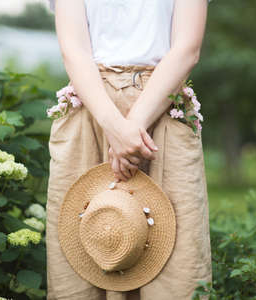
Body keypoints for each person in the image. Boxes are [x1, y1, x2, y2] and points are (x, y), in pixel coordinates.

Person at [46, 0, 212, 299]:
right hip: (91, 112)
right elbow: (74, 51)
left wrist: (130, 127)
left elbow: (187, 48)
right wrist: (114, 126)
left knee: (177, 266)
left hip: (164, 112)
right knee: (84, 260)